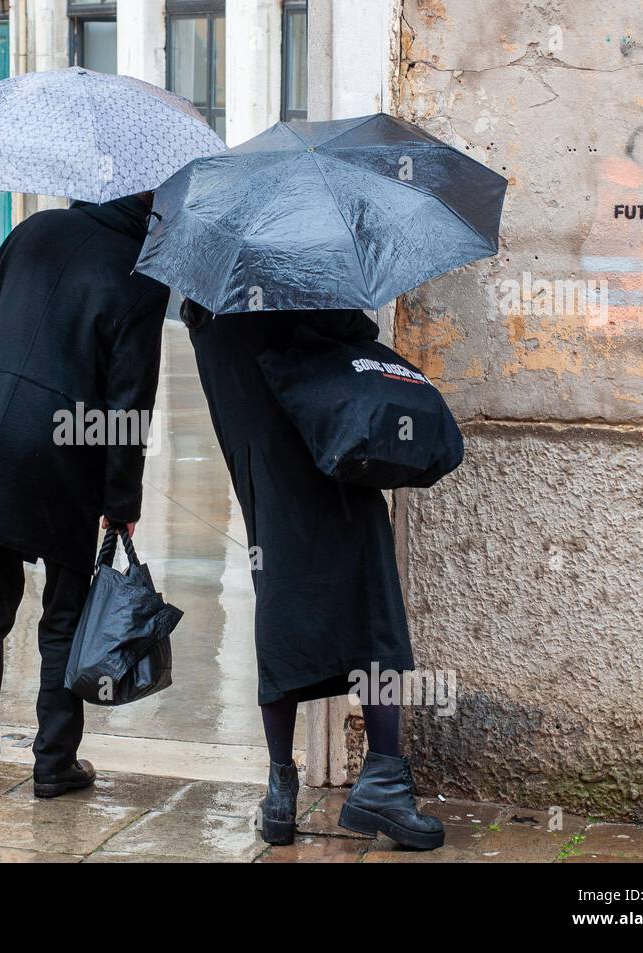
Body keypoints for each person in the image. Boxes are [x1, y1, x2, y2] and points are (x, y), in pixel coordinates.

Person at [0, 193, 168, 800]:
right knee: (62, 619)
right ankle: (54, 763)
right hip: (66, 460)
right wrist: (123, 500)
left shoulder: (35, 230)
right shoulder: (143, 274)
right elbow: (128, 405)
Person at [181, 299, 445, 850]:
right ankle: (385, 782)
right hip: (335, 464)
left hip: (268, 475)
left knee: (282, 611)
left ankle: (281, 788)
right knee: (372, 612)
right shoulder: (301, 280)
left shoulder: (207, 303)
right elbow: (355, 338)